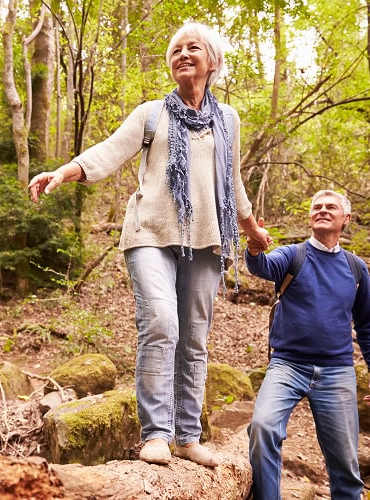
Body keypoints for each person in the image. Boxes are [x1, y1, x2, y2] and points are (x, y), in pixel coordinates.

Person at [29, 22, 270, 467]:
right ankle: (156, 434)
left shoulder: (228, 120)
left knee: (194, 339)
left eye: (192, 47)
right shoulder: (152, 114)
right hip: (150, 234)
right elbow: (108, 152)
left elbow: (231, 181)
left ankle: (186, 435)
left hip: (206, 239)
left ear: (212, 61)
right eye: (175, 49)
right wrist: (62, 173)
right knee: (161, 323)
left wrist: (251, 227)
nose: (181, 54)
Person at [244, 189, 370, 499]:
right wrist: (254, 249)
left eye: (331, 207)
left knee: (345, 462)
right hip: (287, 365)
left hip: (337, 371)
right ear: (310, 217)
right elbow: (262, 266)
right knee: (263, 428)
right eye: (317, 207)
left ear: (346, 218)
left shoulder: (355, 267)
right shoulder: (293, 255)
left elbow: (366, 321)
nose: (322, 210)